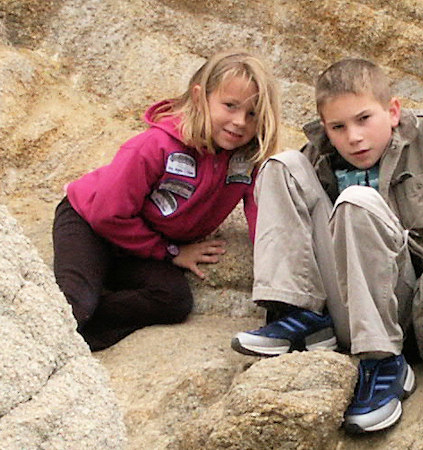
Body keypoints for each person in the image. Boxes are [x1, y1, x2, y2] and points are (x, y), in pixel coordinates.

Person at [231, 58, 423, 433]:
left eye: (364, 119)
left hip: (410, 308)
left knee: (356, 201)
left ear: (392, 111)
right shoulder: (320, 154)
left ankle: (384, 361)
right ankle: (299, 314)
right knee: (280, 165)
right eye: (338, 127)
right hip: (343, 307)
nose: (354, 137)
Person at [53, 49, 280, 351]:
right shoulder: (154, 146)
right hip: (89, 224)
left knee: (173, 299)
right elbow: (107, 213)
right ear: (200, 98)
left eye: (252, 114)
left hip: (139, 244)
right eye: (230, 106)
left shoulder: (245, 160)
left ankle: (84, 334)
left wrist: (277, 269)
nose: (240, 122)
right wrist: (170, 252)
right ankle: (62, 326)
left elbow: (261, 218)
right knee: (76, 300)